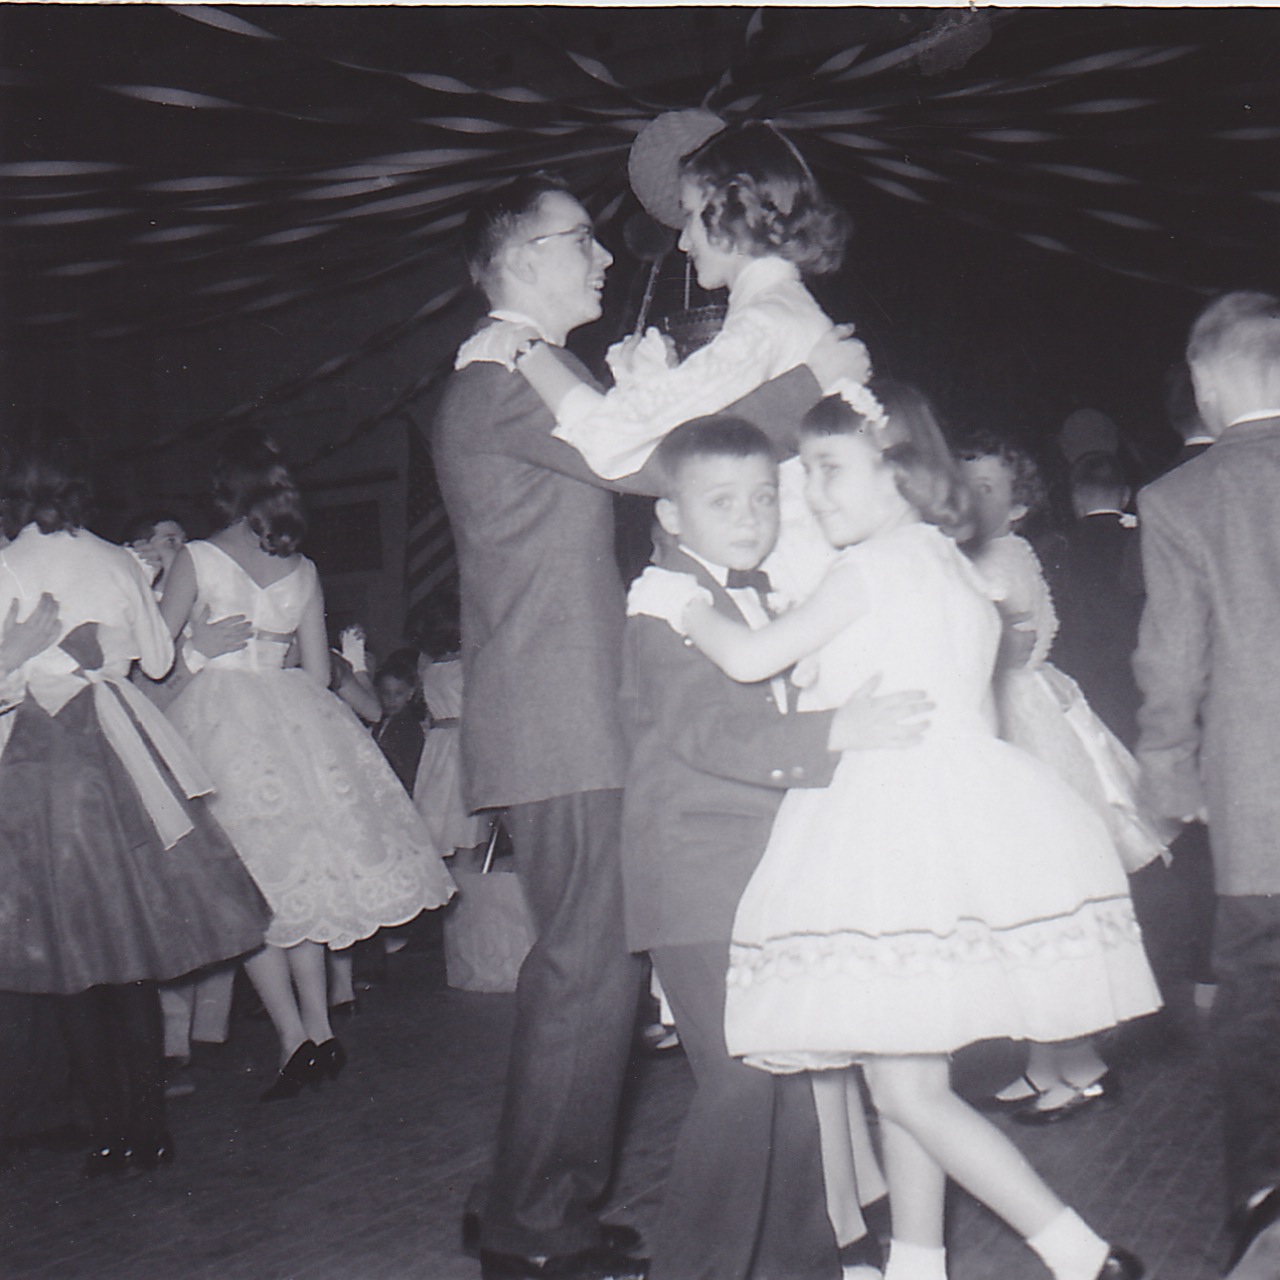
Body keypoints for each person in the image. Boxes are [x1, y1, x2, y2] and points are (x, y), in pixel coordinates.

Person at [434, 168, 865, 1280]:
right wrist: (810, 386)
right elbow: (653, 467)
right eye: (580, 238)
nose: (606, 256)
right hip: (562, 713)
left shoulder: (529, 372)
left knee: (592, 967)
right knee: (589, 968)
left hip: (560, 708)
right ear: (519, 258)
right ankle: (534, 1226)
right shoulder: (502, 373)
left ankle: (530, 1202)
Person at [630, 390, 1159, 1280]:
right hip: (949, 819)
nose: (811, 493)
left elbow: (752, 658)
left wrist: (679, 605)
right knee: (908, 1079)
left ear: (900, 473)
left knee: (905, 1088)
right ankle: (918, 1263)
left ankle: (1080, 1254)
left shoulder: (871, 567)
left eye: (829, 470)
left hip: (886, 828)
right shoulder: (952, 567)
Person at [623, 417, 929, 1280]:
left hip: (757, 869)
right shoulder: (662, 604)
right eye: (722, 501)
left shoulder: (749, 597)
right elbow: (709, 733)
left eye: (763, 498)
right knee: (741, 1083)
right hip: (694, 875)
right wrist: (834, 732)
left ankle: (803, 1267)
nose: (750, 517)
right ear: (671, 516)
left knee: (785, 1081)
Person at [0, 446, 272, 1177]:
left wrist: (24, 657)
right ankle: (150, 1128)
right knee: (129, 950)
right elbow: (156, 662)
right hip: (121, 750)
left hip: (44, 760)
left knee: (74, 954)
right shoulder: (115, 561)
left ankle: (109, 1133)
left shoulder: (6, 565)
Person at [160, 430, 455, 1102]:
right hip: (295, 719)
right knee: (298, 884)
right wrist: (275, 655)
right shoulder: (303, 567)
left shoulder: (199, 557)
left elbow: (154, 659)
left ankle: (294, 1038)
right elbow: (322, 674)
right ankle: (320, 1030)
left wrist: (199, 649)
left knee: (250, 891)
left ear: (224, 490)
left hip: (220, 724)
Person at [954, 431, 1171, 1122]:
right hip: (1012, 712)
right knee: (1012, 908)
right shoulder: (986, 554)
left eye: (987, 489)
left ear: (1019, 505)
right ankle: (1046, 1060)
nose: (970, 500)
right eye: (963, 485)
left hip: (1017, 722)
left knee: (1033, 898)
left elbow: (1010, 646)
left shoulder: (1003, 557)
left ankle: (1081, 1064)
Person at [1132, 290, 1280, 1280]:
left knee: (1259, 1009)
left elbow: (1170, 662)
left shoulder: (1182, 499)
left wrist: (1165, 776)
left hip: (1260, 814)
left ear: (1204, 382)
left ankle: (1263, 1208)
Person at [412, 622, 488, 856]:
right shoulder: (467, 666)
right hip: (463, 741)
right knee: (461, 815)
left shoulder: (429, 669)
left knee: (438, 804)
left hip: (439, 743)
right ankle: (466, 861)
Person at [372, 648, 427, 794]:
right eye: (386, 693)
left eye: (398, 694)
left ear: (410, 693)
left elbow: (408, 770)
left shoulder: (409, 727)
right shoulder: (379, 722)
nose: (391, 700)